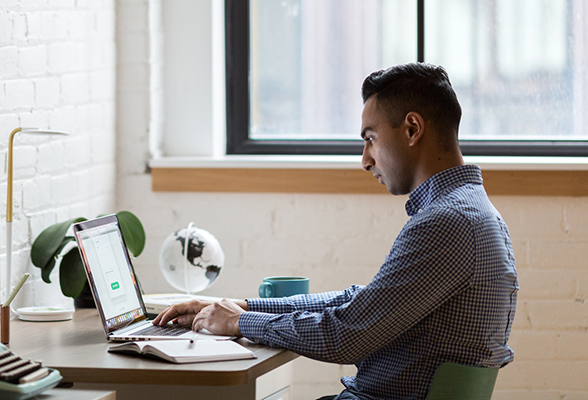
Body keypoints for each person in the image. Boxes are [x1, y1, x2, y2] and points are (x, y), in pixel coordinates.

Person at [153, 63, 519, 400]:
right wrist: (244, 306)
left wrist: (238, 322)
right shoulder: (469, 212)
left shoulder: (447, 223)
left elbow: (347, 335)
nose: (365, 160)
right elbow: (361, 302)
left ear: (412, 129)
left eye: (370, 138)